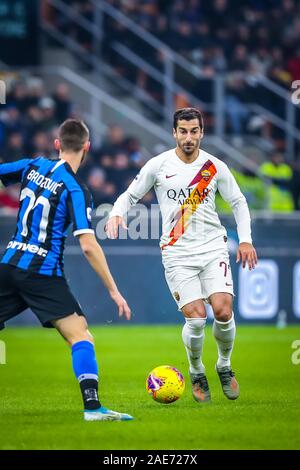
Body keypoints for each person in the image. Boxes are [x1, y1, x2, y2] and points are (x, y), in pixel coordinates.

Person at [106, 107, 258, 402]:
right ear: (174, 133)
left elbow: (238, 202)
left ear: (201, 132)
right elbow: (130, 194)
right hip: (177, 252)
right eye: (183, 131)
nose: (189, 137)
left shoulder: (214, 167)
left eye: (194, 131)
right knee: (197, 319)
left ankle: (224, 365)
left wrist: (246, 240)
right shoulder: (158, 165)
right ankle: (196, 369)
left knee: (223, 311)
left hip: (213, 246)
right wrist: (115, 213)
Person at [0, 119, 133, 422]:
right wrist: (113, 290)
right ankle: (93, 408)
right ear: (87, 147)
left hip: (8, 264)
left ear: (57, 144)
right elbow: (88, 245)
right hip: (42, 273)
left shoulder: (32, 166)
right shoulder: (75, 189)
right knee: (80, 336)